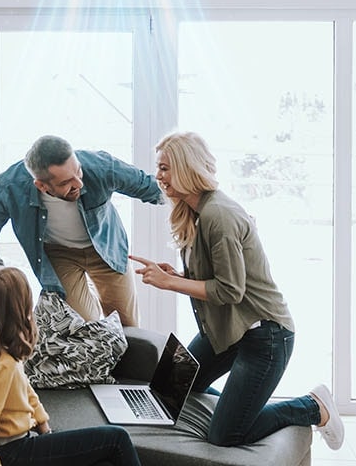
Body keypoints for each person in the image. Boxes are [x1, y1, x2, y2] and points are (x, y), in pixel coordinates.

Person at [129, 131, 344, 449]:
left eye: (164, 168)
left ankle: (312, 406)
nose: (158, 176)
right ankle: (236, 407)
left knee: (225, 436)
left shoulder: (219, 215)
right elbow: (213, 275)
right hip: (227, 328)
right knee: (168, 387)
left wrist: (171, 283)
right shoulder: (194, 211)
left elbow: (230, 290)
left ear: (187, 168)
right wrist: (176, 274)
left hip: (264, 336)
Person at [0, 135, 164, 326]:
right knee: (84, 328)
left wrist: (196, 197)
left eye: (78, 173)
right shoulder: (8, 188)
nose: (79, 184)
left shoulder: (100, 166)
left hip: (106, 249)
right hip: (59, 254)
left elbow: (153, 188)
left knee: (128, 327)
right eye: (66, 183)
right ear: (41, 185)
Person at [0, 266, 142, 466]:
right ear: (17, 310)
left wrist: (44, 427)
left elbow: (25, 391)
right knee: (117, 439)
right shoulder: (2, 366)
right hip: (13, 452)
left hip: (19, 444)